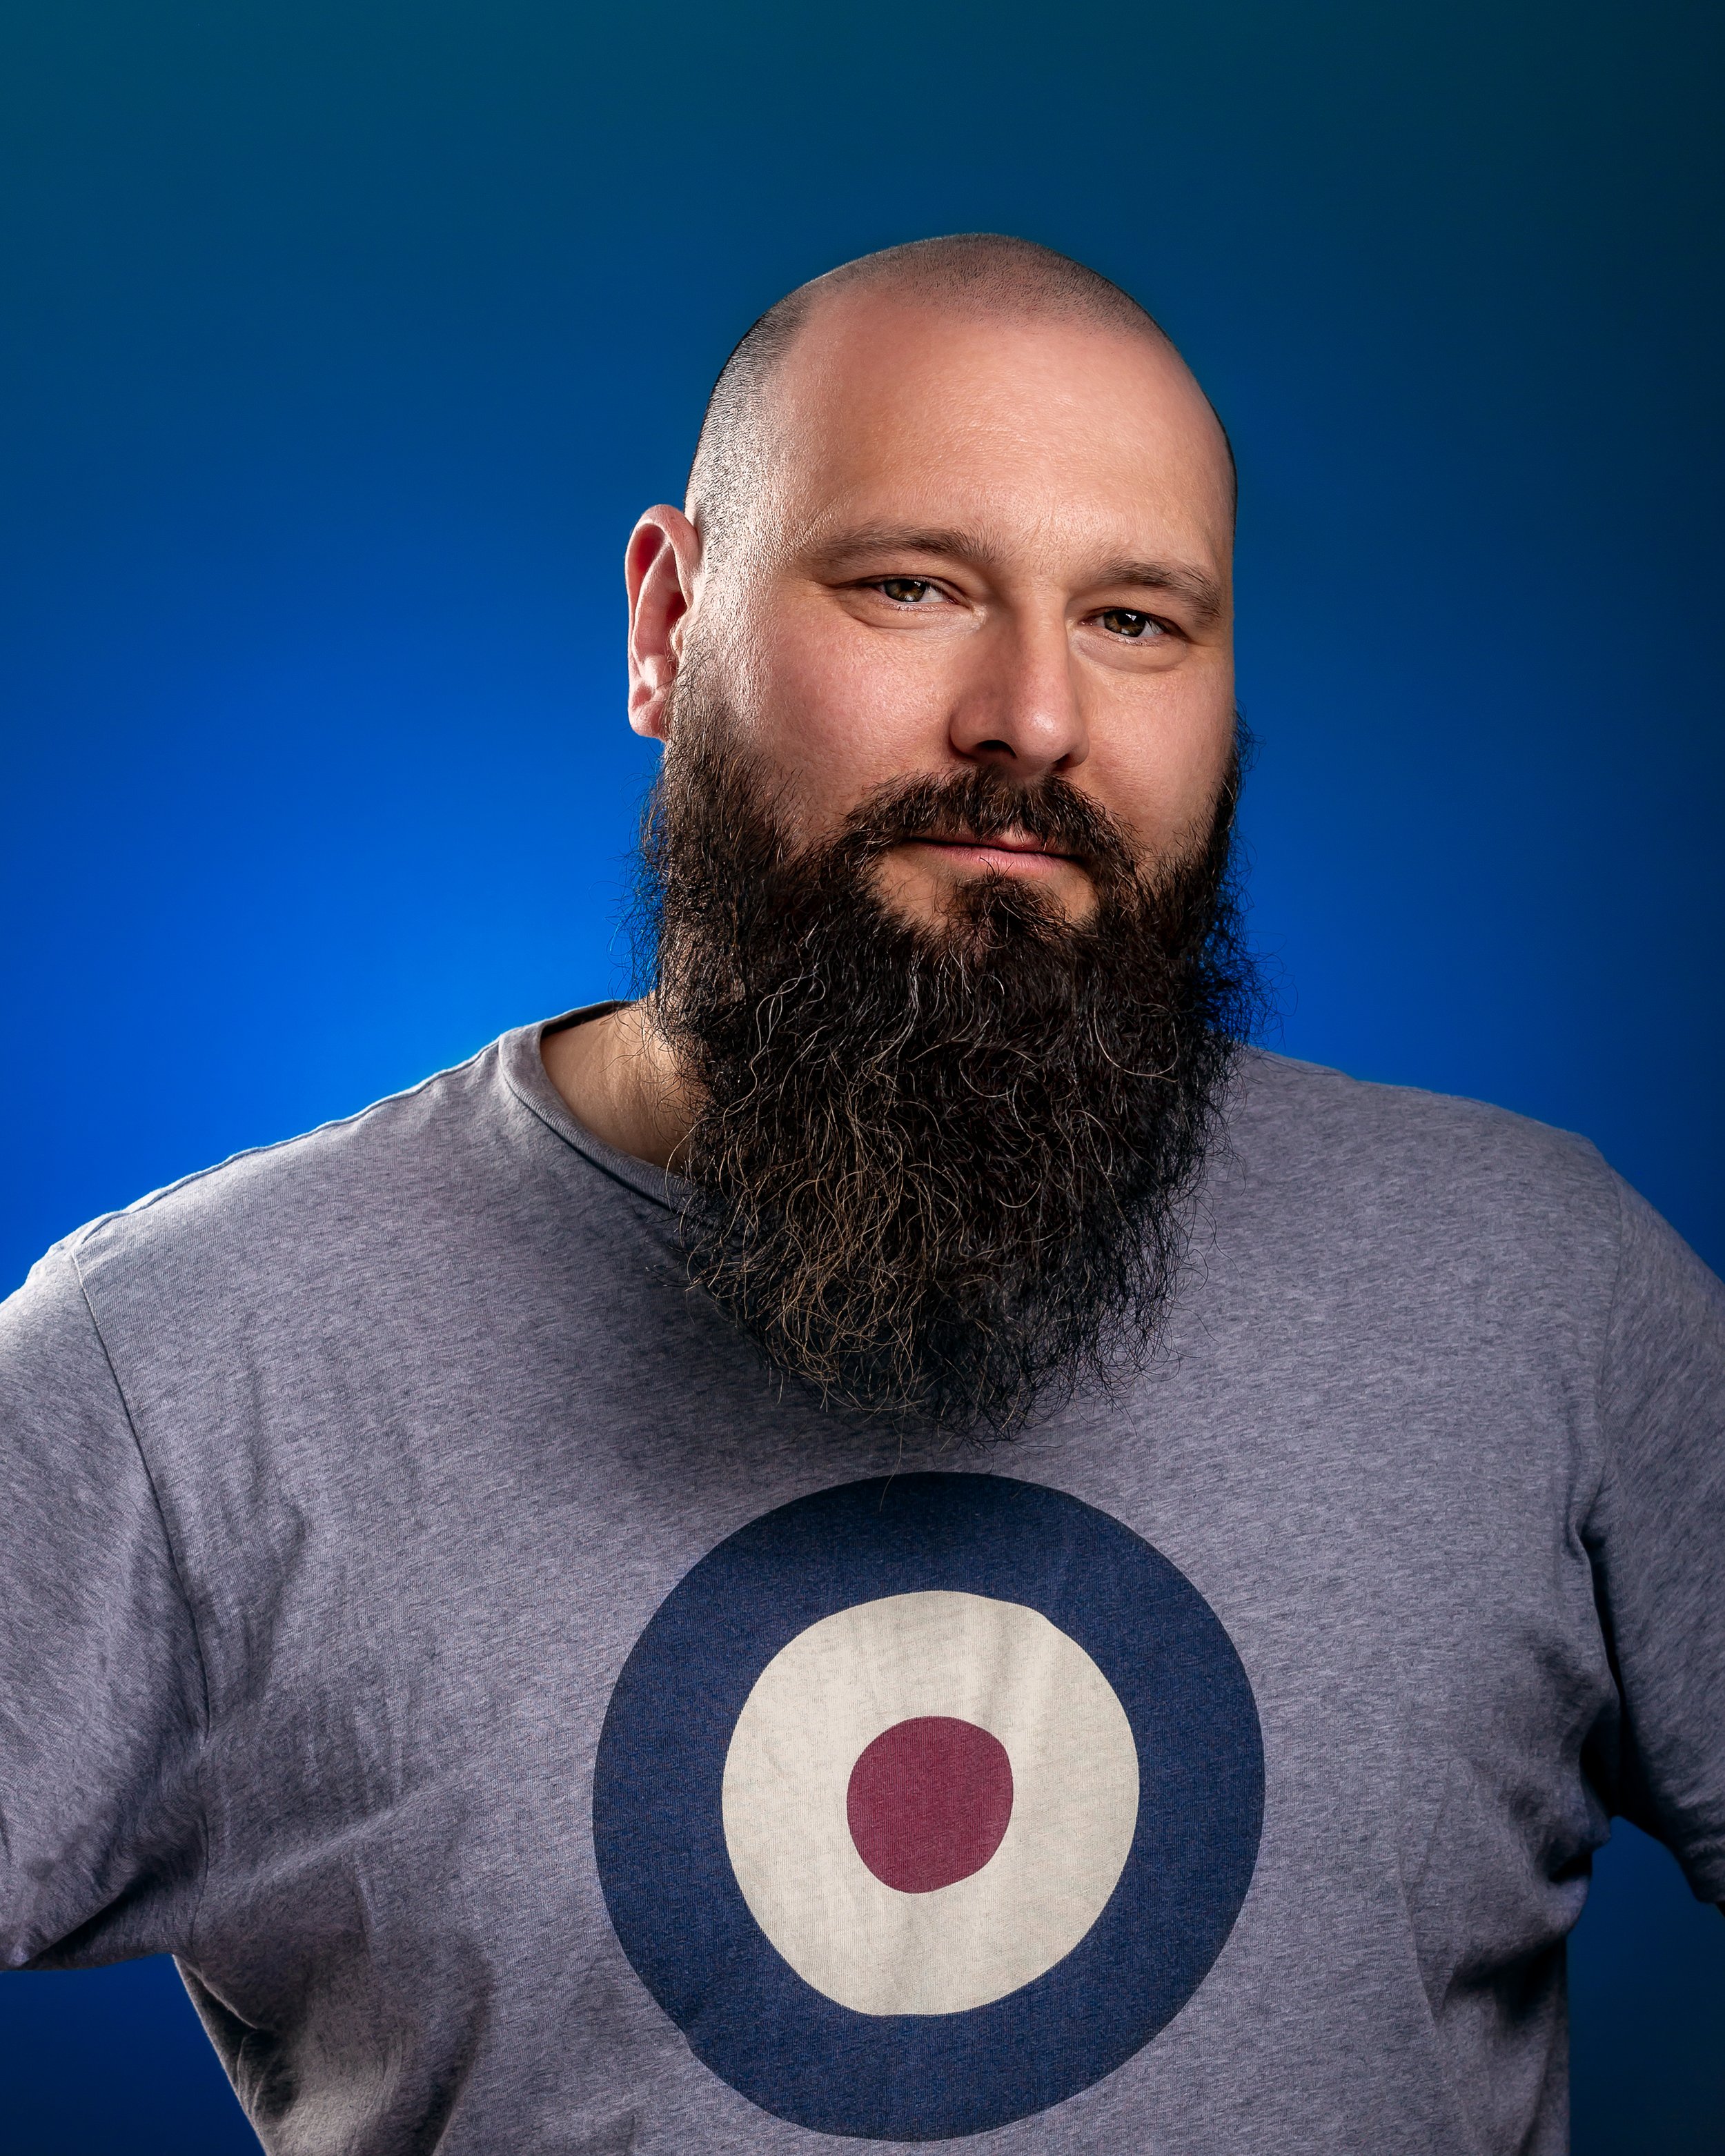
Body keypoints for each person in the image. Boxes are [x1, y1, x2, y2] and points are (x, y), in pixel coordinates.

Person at [1, 234, 1719, 2156]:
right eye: (912, 586)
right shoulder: (180, 1370)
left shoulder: (1544, 1295)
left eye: (1138, 620)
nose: (1032, 718)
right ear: (667, 624)